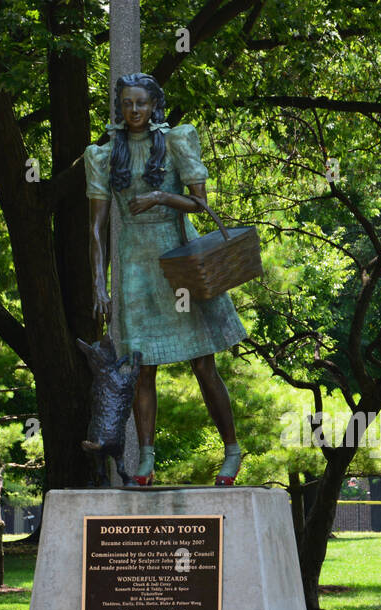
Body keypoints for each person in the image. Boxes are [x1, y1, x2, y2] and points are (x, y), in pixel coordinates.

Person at [83, 73, 247, 486]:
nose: (133, 111)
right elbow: (96, 229)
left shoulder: (176, 140)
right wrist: (99, 285)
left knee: (203, 362)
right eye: (125, 104)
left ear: (154, 104)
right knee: (143, 368)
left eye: (140, 103)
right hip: (135, 266)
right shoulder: (102, 155)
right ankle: (146, 458)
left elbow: (200, 203)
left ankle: (231, 449)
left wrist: (159, 196)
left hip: (178, 256)